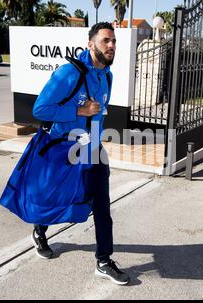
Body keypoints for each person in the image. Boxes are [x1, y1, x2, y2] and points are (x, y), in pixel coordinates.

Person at [30, 22, 130, 286]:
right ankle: (40, 230)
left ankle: (104, 260)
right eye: (106, 40)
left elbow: (99, 114)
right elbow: (40, 109)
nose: (111, 46)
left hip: (92, 149)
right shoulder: (69, 73)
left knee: (101, 206)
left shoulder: (107, 75)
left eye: (114, 41)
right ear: (90, 44)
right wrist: (78, 112)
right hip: (64, 148)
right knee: (55, 198)